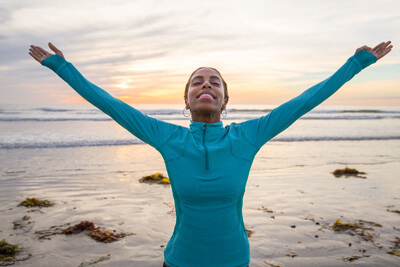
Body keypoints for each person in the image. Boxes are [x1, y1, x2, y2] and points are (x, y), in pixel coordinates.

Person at [29, 41, 392, 267]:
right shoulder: (167, 137)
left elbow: (304, 101)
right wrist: (63, 67)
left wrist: (356, 64)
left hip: (234, 260)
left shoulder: (248, 136)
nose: (206, 85)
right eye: (197, 82)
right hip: (180, 260)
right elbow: (109, 104)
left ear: (224, 99)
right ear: (186, 100)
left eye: (214, 81)